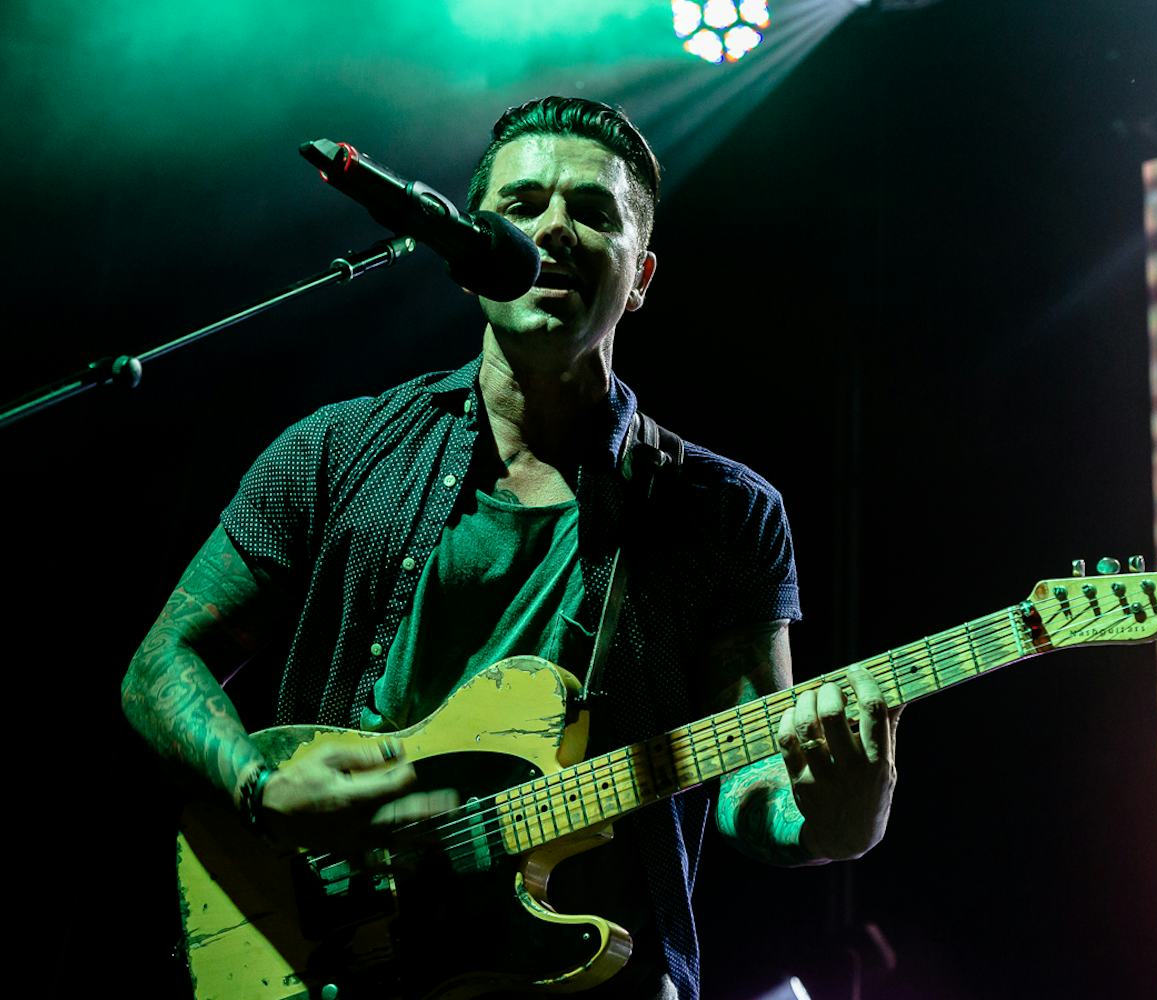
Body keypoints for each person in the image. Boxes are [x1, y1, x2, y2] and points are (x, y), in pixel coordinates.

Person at [121, 95, 900, 1000]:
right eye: (523, 207)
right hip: (326, 954)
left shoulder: (726, 514)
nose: (555, 230)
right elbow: (160, 665)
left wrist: (835, 818)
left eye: (593, 213)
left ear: (640, 276)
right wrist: (258, 785)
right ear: (467, 253)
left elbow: (745, 783)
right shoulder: (336, 449)